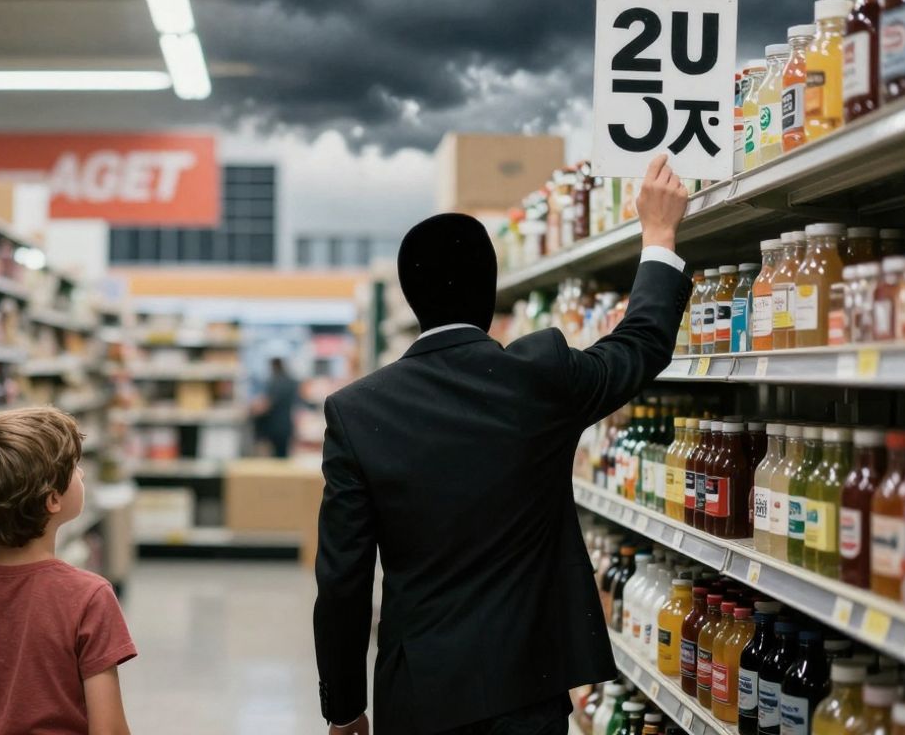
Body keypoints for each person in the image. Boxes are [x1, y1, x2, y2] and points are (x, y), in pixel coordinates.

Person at [313, 155, 693, 735]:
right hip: (525, 689)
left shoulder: (356, 412)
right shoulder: (540, 377)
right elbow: (640, 345)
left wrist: (344, 708)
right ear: (490, 292)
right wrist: (659, 235)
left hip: (419, 694)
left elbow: (344, 579)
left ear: (411, 301)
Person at [0, 407, 137, 735]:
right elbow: (109, 730)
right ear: (53, 500)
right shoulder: (89, 597)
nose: (82, 473)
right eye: (74, 467)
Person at [254, 357, 304, 457]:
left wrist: (254, 409)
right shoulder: (292, 381)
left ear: (274, 366)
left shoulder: (275, 382)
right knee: (284, 454)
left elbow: (267, 404)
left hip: (274, 425)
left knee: (276, 456)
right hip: (287, 424)